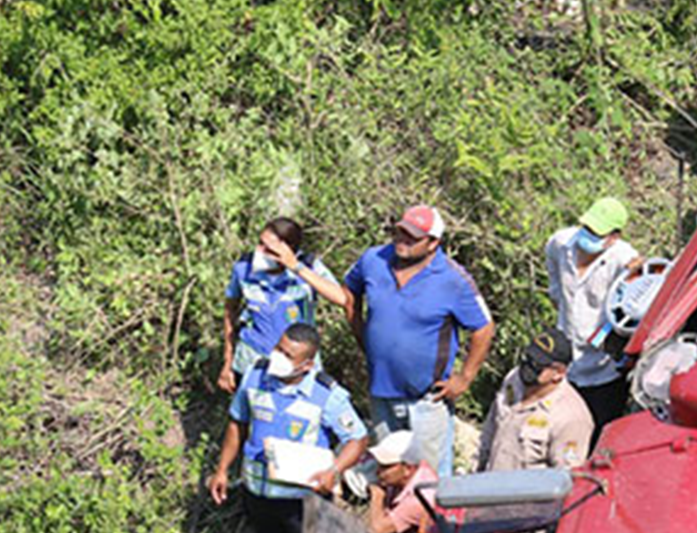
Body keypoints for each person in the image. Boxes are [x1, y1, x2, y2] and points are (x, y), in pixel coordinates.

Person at [207, 323, 367, 533]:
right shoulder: (256, 376)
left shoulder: (325, 394)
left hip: (302, 499)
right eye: (279, 348)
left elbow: (357, 438)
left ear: (306, 365)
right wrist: (222, 470)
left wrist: (334, 471)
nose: (277, 355)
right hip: (258, 490)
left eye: (287, 354)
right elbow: (237, 422)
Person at [344, 204, 496, 476]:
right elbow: (349, 291)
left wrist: (465, 378)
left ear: (433, 243)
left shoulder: (453, 280)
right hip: (381, 392)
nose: (402, 241)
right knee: (389, 471)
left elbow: (483, 328)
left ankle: (434, 520)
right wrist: (362, 337)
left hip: (426, 399)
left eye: (412, 237)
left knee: (428, 478)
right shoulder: (374, 259)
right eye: (400, 232)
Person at [545, 197, 642, 442]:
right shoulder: (560, 244)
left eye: (596, 233)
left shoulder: (623, 259)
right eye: (586, 228)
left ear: (614, 237)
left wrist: (636, 271)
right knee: (561, 431)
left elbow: (639, 298)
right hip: (566, 362)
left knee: (599, 433)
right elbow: (555, 285)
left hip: (603, 368)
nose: (587, 235)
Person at [218, 216, 350, 393]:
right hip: (253, 362)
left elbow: (342, 298)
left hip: (298, 368)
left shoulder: (309, 267)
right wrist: (228, 362)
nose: (260, 251)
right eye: (260, 243)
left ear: (289, 251)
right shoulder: (243, 268)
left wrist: (296, 267)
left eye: (269, 249)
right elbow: (230, 310)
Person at [476, 328, 594, 473]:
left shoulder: (572, 418)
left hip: (525, 494)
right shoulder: (513, 380)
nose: (528, 367)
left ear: (559, 373)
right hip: (487, 486)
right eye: (527, 358)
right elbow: (489, 431)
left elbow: (566, 478)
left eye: (538, 365)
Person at [363, 430, 441, 533]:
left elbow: (376, 530)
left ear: (407, 469)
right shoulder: (414, 472)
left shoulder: (417, 499)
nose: (378, 471)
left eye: (385, 467)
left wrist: (377, 496)